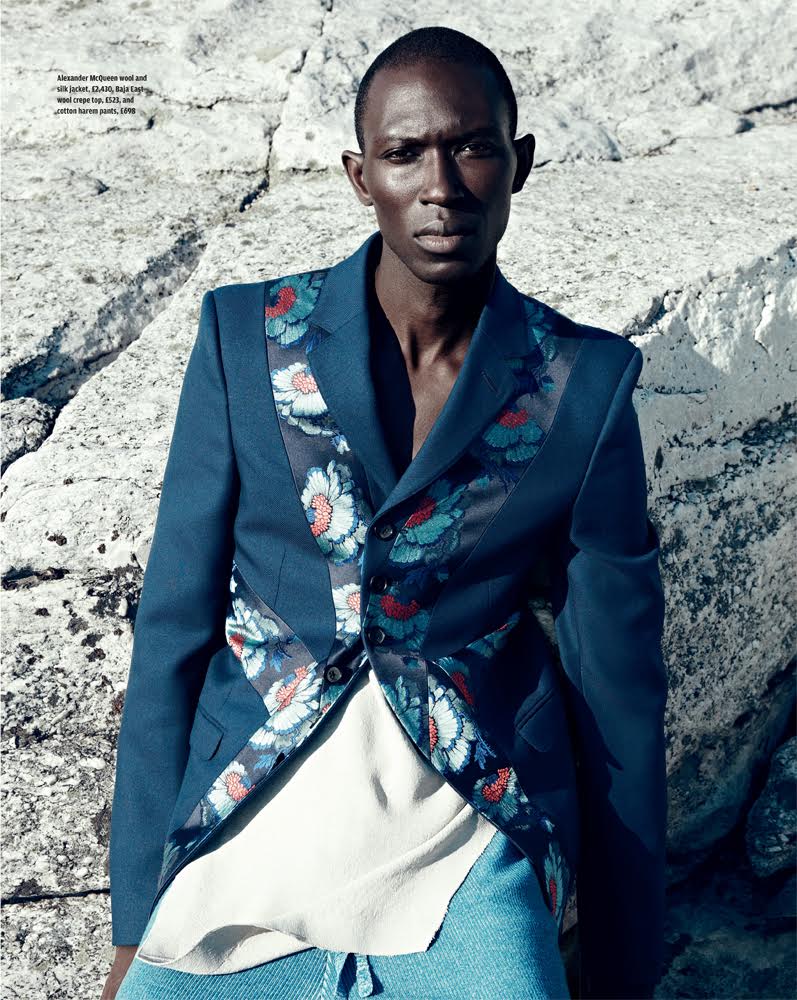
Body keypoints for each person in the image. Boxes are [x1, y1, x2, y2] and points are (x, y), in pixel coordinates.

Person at [102, 25, 669, 1000]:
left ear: (519, 162)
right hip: (253, 806)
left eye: (472, 146)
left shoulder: (582, 383)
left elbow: (617, 684)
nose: (440, 185)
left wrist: (621, 968)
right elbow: (172, 629)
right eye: (405, 153)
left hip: (468, 813)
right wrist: (132, 915)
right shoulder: (247, 338)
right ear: (360, 176)